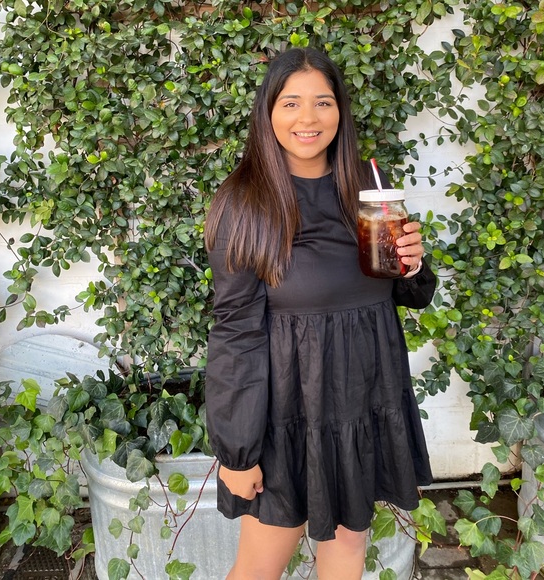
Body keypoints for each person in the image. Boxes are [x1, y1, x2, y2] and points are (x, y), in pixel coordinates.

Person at [204, 47, 436, 580]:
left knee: (349, 548)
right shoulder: (245, 203)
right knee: (258, 568)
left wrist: (413, 264)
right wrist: (239, 453)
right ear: (268, 112)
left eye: (323, 102)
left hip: (363, 399)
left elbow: (403, 291)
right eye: (291, 103)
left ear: (340, 110)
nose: (308, 118)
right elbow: (235, 332)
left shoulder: (367, 187)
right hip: (288, 416)